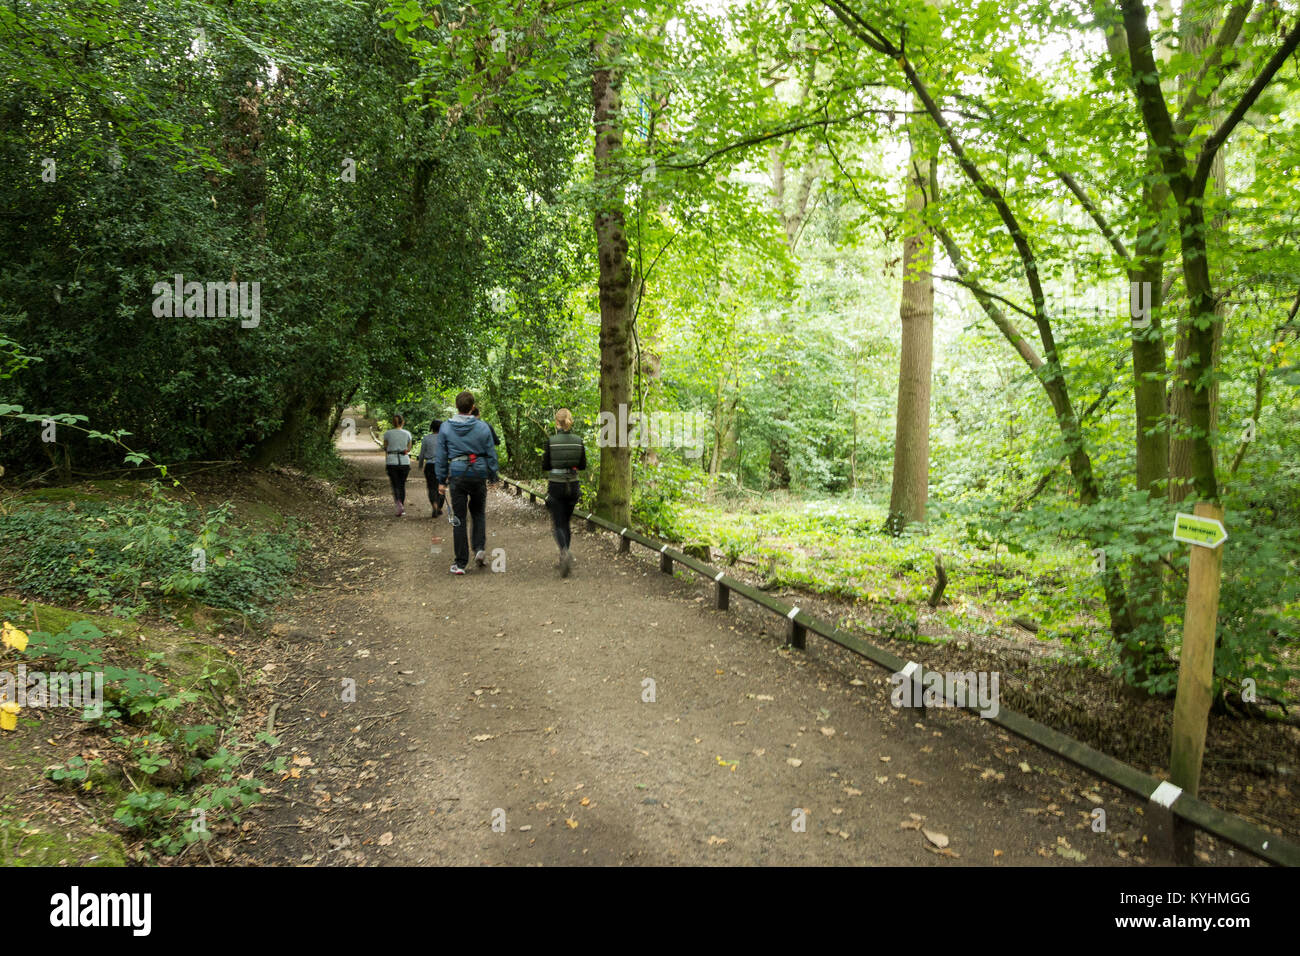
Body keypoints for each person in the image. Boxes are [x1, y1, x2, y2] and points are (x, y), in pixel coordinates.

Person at [436, 390, 499, 575]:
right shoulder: (482, 427)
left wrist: (441, 480)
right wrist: (493, 475)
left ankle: (460, 563)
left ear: (457, 406)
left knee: (459, 518)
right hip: (478, 473)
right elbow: (491, 454)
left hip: (457, 474)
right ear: (472, 407)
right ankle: (479, 548)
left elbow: (441, 457)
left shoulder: (446, 428)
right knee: (478, 512)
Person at [542, 407, 586, 577]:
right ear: (570, 421)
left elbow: (545, 466)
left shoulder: (551, 441)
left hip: (556, 485)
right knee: (566, 521)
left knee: (558, 523)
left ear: (556, 422)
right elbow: (583, 465)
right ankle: (564, 555)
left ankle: (564, 551)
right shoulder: (578, 440)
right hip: (573, 485)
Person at [382, 413, 413, 517]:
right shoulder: (407, 433)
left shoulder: (387, 433)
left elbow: (385, 447)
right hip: (404, 461)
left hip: (392, 461)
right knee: (402, 484)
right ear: (402, 422)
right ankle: (402, 505)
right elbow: (409, 448)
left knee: (395, 484)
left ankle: (398, 503)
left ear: (392, 422)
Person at [415, 419, 445, 517]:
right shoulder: (444, 438)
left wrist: (420, 465)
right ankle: (439, 507)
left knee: (432, 487)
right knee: (441, 486)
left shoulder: (426, 438)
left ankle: (435, 506)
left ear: (431, 428)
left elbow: (422, 454)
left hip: (430, 465)